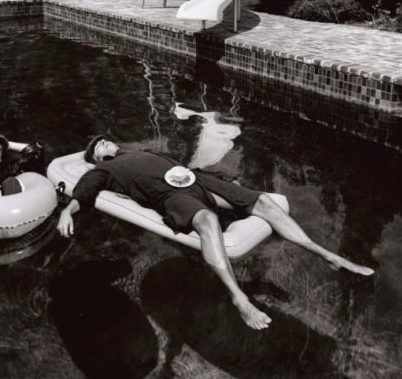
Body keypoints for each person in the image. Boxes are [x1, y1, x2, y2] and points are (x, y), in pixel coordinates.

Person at [57, 136, 375, 331]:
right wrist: (66, 212)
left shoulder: (137, 150)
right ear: (95, 159)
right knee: (207, 220)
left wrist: (218, 177)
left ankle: (326, 254)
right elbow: (83, 194)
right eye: (97, 146)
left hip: (196, 181)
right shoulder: (103, 171)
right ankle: (239, 297)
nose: (103, 142)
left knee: (263, 201)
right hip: (170, 197)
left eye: (103, 139)